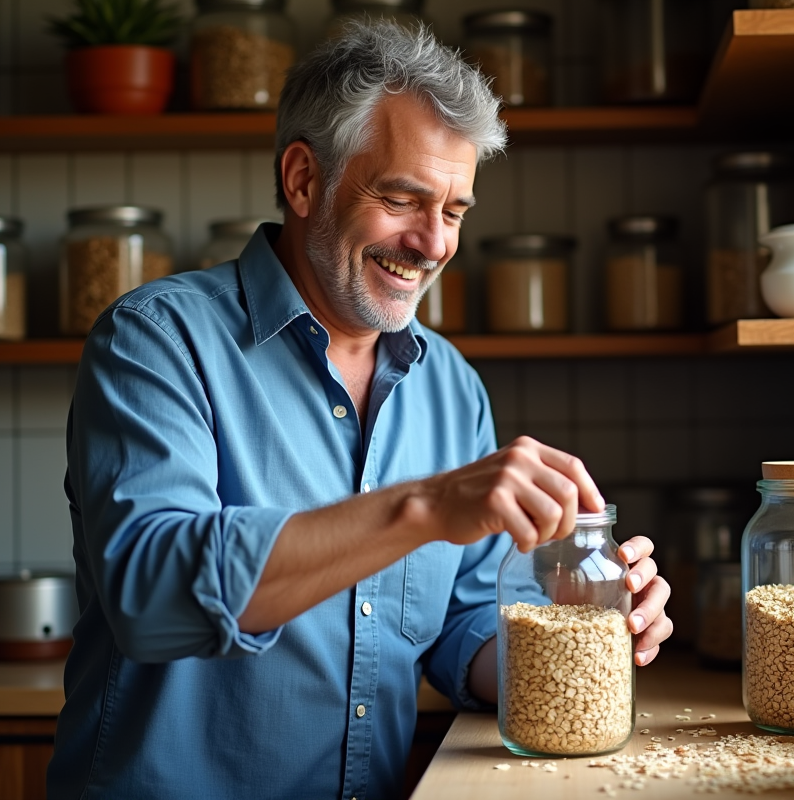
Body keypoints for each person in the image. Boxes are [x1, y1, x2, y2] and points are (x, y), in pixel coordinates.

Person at [48, 20, 672, 800]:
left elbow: (464, 628)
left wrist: (577, 631)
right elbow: (153, 593)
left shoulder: (449, 385)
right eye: (404, 199)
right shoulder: (156, 340)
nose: (434, 243)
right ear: (304, 180)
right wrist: (426, 505)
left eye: (455, 211)